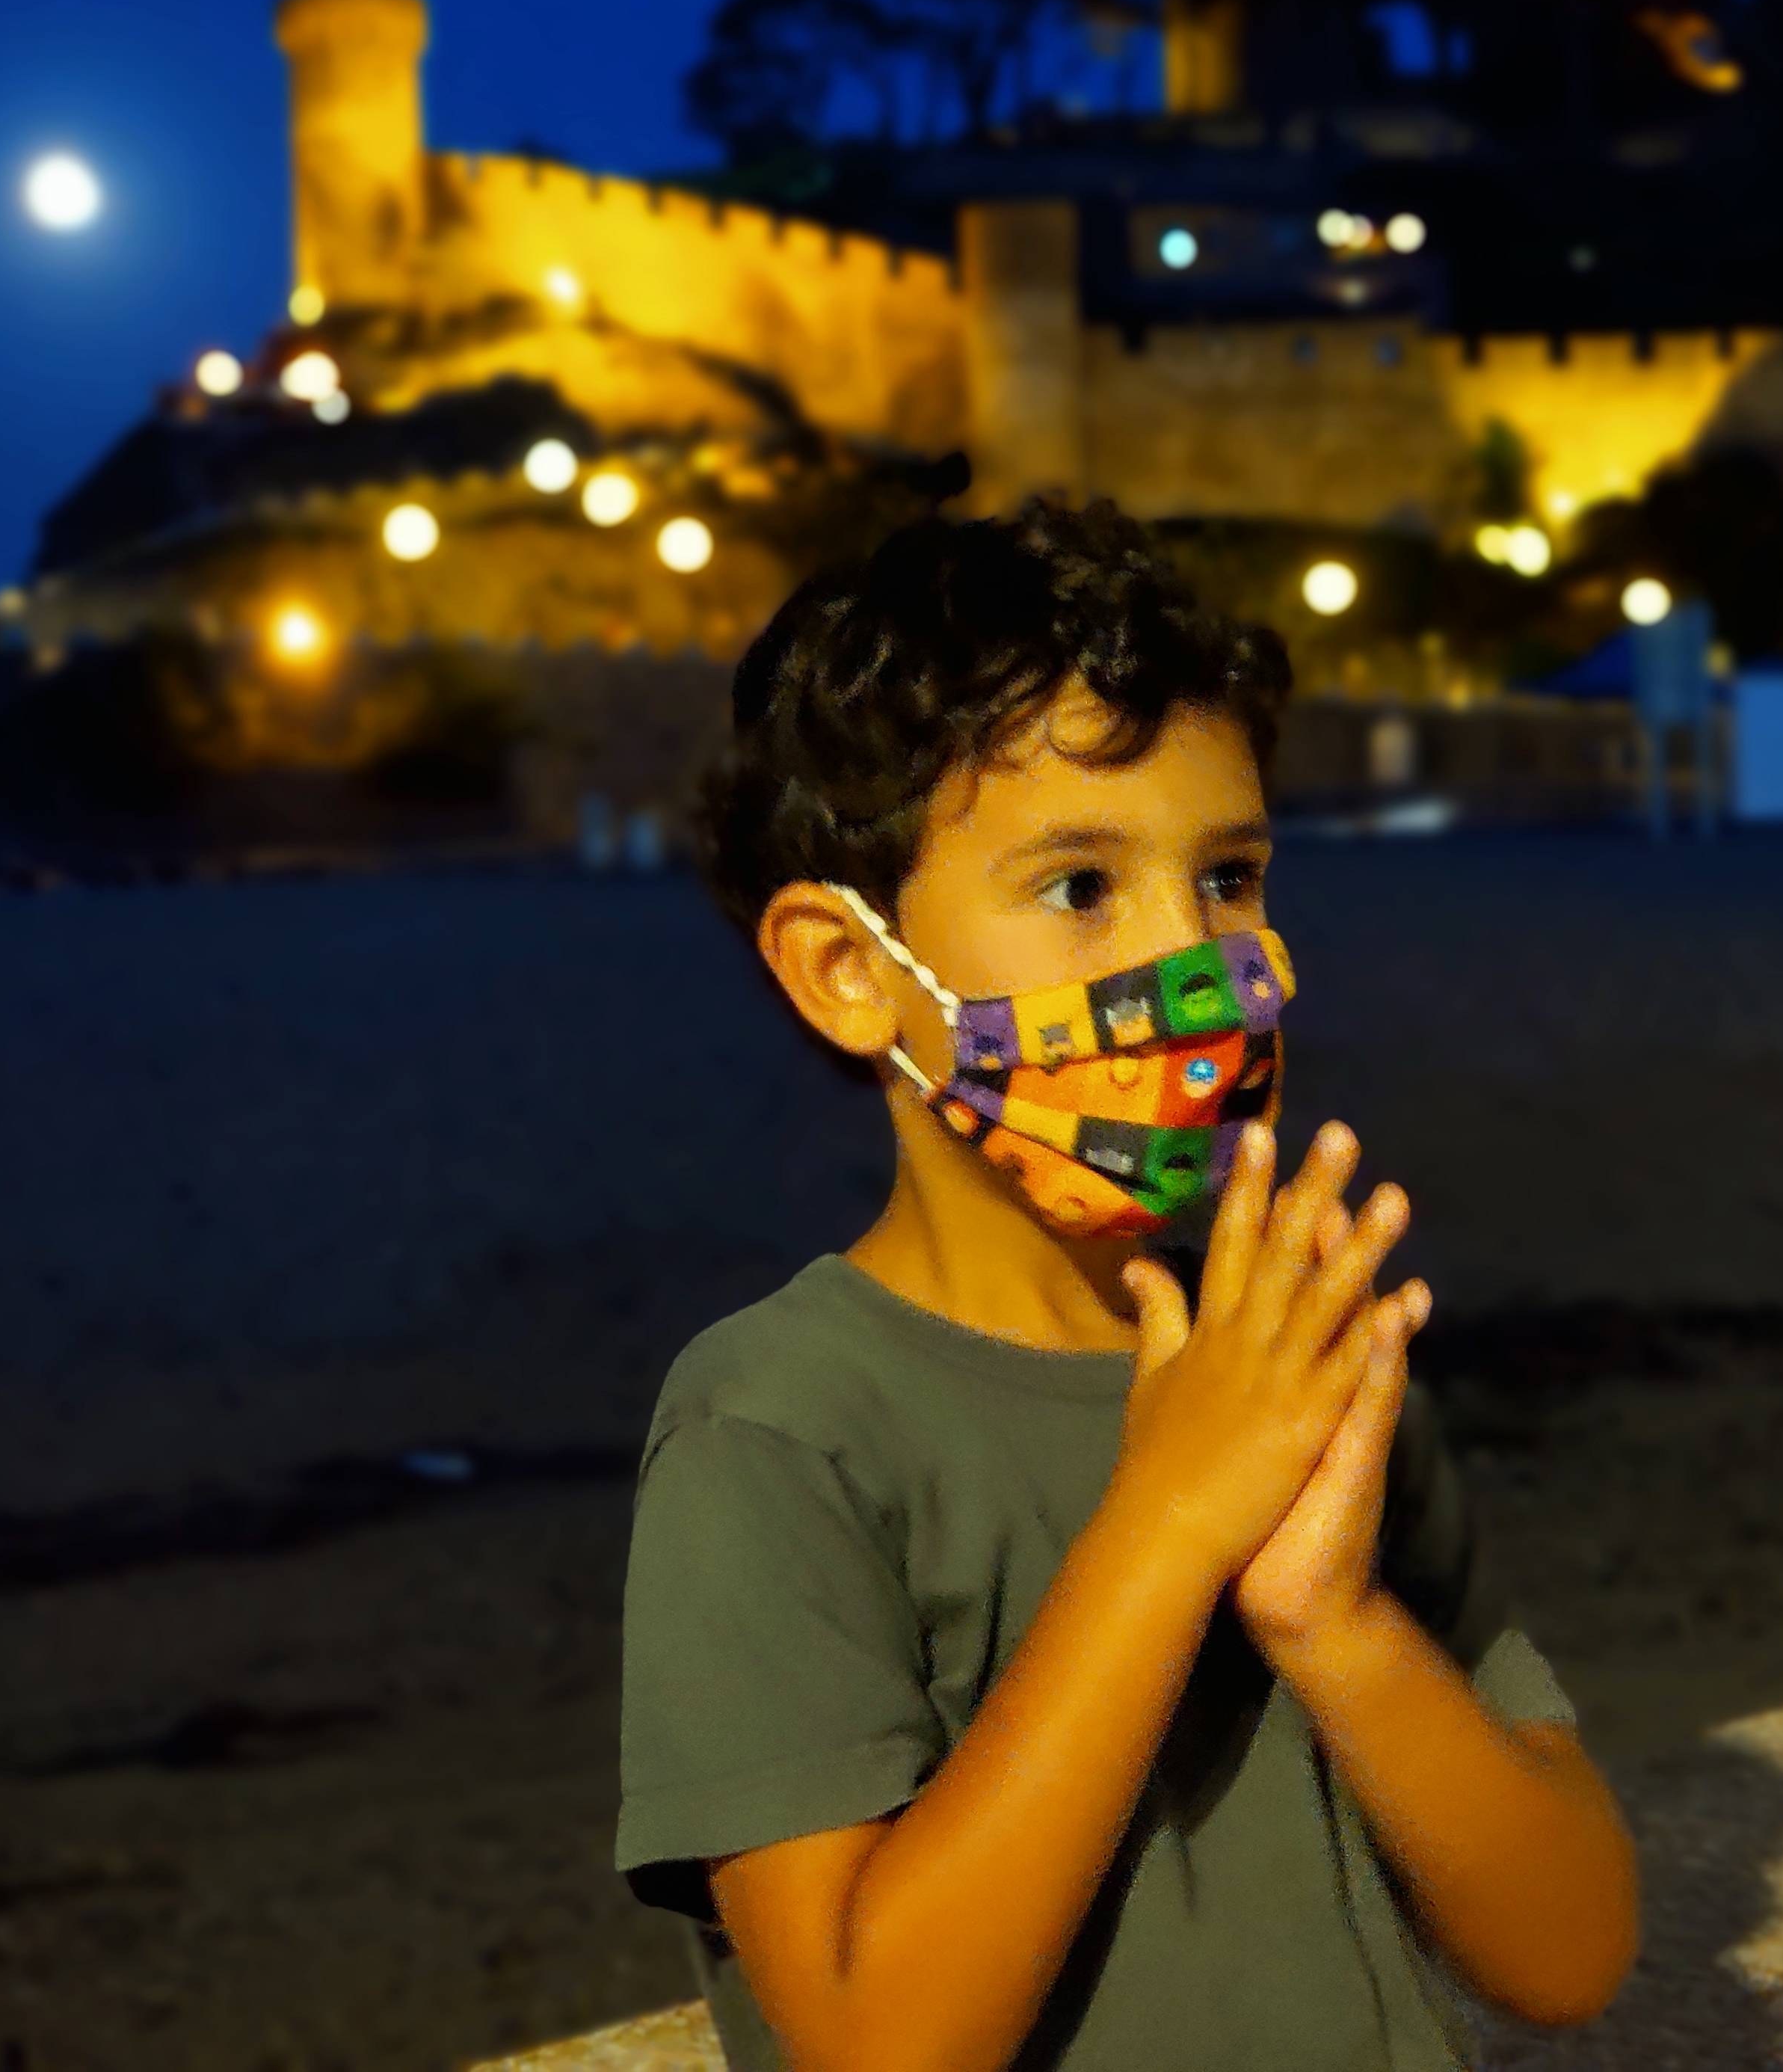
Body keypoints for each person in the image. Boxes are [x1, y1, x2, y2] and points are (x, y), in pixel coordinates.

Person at [617, 503, 1637, 2071]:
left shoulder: (1296, 1357)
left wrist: (1335, 1621)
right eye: (1080, 888)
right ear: (848, 971)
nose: (1193, 963)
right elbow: (876, 2039)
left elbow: (1568, 1954)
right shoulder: (778, 1430)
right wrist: (1167, 1524)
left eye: (1227, 877)